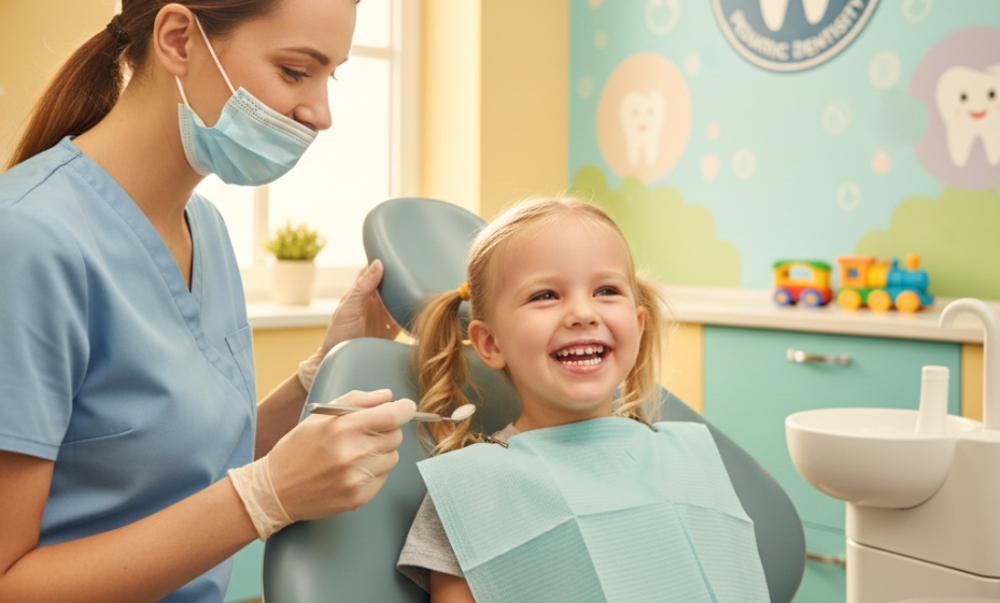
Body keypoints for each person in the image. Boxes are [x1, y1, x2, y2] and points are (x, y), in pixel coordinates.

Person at [0, 1, 416, 602]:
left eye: (331, 76)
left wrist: (320, 372)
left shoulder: (206, 230)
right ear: (178, 39)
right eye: (296, 71)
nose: (320, 114)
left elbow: (183, 464)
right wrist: (263, 499)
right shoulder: (28, 241)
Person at [396, 197, 770, 602]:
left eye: (606, 291)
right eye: (545, 295)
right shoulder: (472, 491)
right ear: (490, 343)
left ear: (638, 325)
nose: (583, 313)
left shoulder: (684, 460)